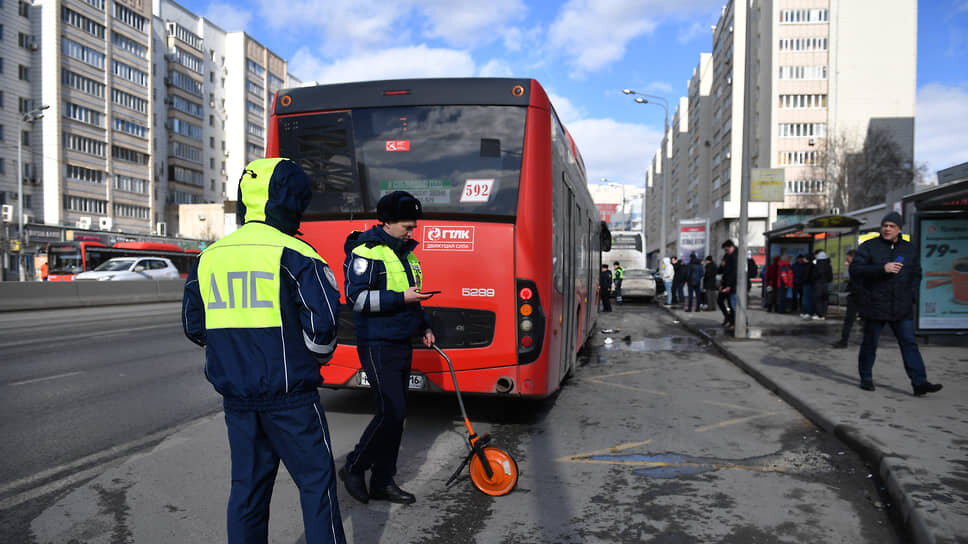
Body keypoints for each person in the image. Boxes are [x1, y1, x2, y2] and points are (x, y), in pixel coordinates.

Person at [182, 158, 345, 544]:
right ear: (294, 200)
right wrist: (309, 358)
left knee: (247, 491)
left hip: (237, 400)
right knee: (316, 485)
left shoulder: (210, 256)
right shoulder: (297, 253)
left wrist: (234, 352)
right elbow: (323, 327)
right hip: (291, 400)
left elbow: (194, 326)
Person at [340, 190, 436, 505]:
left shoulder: (407, 254)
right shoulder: (367, 251)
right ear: (389, 222)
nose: (413, 232)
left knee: (397, 414)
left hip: (401, 341)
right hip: (377, 343)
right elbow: (357, 299)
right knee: (390, 411)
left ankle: (383, 480)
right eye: (408, 226)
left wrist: (423, 327)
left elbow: (413, 295)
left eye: (414, 227)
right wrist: (402, 299)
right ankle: (354, 467)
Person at [850, 211, 942, 396]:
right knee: (870, 343)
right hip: (875, 304)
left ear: (899, 229)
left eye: (892, 226)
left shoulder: (908, 249)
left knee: (909, 344)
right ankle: (866, 378)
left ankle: (919, 383)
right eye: (885, 226)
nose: (887, 229)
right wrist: (881, 269)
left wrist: (911, 296)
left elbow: (916, 273)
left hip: (901, 306)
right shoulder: (869, 246)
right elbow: (856, 269)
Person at [833, 249, 859, 348]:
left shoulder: (854, 266)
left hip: (855, 296)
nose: (846, 259)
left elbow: (855, 282)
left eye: (848, 257)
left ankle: (844, 341)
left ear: (852, 257)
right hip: (863, 296)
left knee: (849, 320)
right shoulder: (863, 266)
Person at [717, 240, 738, 329]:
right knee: (720, 300)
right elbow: (722, 271)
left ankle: (735, 322)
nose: (726, 252)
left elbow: (734, 272)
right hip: (726, 283)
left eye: (727, 250)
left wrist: (729, 285)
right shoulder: (727, 256)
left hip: (734, 284)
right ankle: (728, 318)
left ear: (731, 247)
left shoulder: (737, 256)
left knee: (733, 304)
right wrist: (722, 266)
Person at [812, 249, 833, 320]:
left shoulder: (818, 265)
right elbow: (830, 277)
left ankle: (819, 314)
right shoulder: (828, 264)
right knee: (824, 300)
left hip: (818, 284)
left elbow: (815, 275)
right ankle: (824, 314)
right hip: (826, 284)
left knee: (818, 300)